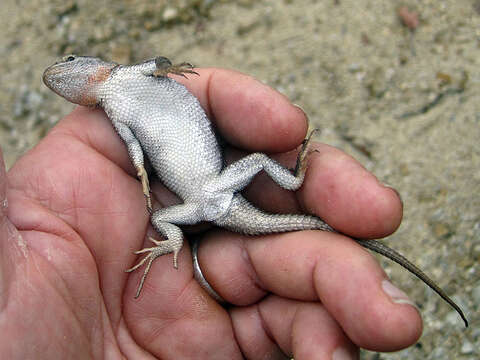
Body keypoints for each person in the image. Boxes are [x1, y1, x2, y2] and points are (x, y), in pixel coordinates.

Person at [0, 68, 420, 359]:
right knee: (242, 176)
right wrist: (144, 179)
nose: (67, 73)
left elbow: (159, 66)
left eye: (72, 63)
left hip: (212, 193)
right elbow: (132, 148)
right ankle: (185, 236)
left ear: (89, 65)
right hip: (203, 200)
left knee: (263, 165)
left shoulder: (127, 75)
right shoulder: (111, 107)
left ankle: (292, 182)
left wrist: (169, 67)